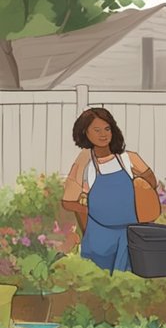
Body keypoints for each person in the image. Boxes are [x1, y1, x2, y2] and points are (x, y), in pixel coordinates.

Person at [61, 108, 160, 271]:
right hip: (99, 238)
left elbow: (150, 182)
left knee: (128, 283)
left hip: (130, 236)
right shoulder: (85, 162)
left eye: (107, 129)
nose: (103, 134)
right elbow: (68, 202)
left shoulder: (129, 159)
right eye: (97, 130)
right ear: (85, 132)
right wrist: (92, 211)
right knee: (98, 285)